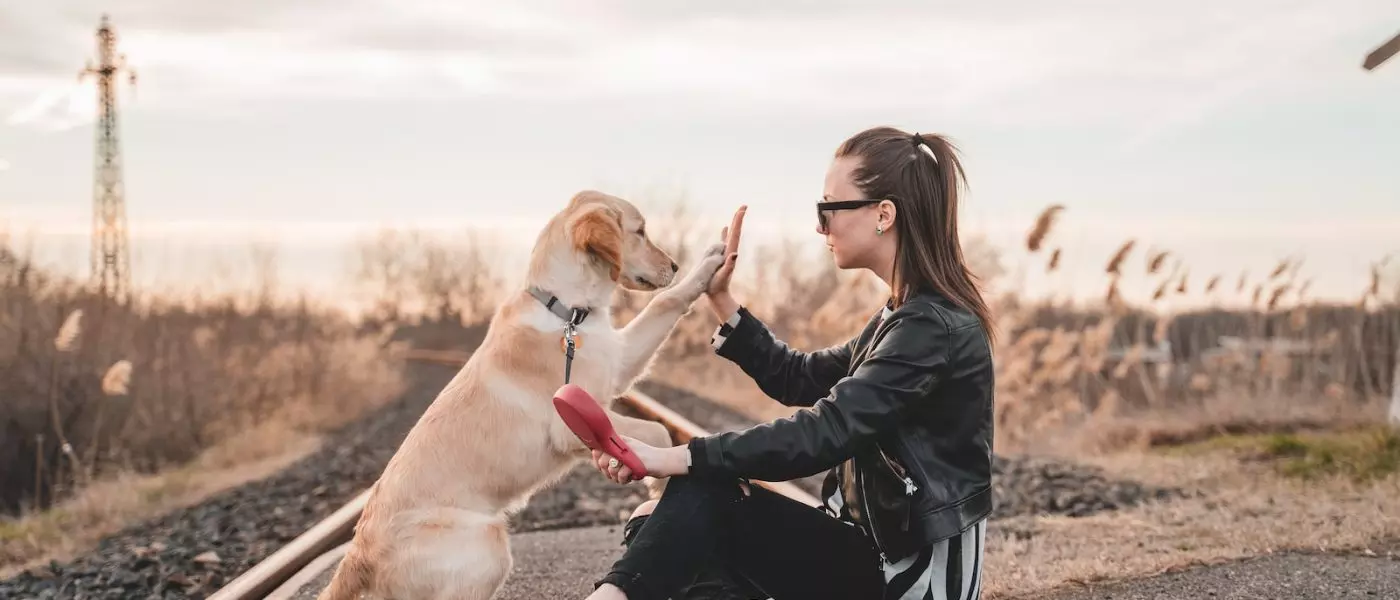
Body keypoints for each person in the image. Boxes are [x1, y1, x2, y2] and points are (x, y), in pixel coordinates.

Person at [585, 126, 997, 600]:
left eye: (829, 208)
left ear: (884, 215)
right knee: (660, 524)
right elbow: (801, 377)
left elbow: (825, 431)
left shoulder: (930, 329)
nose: (820, 226)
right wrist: (722, 300)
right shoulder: (903, 316)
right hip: (873, 555)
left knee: (702, 498)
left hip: (907, 578)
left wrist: (679, 456)